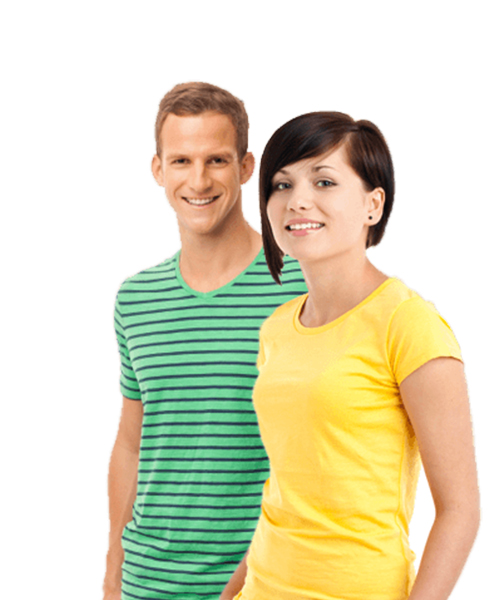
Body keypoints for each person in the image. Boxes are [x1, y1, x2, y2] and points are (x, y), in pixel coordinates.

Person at [220, 112, 480, 600]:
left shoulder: (408, 323)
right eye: (281, 184)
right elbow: (285, 491)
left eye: (324, 181)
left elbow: (460, 511)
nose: (297, 200)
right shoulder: (276, 329)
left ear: (372, 205)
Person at [103, 82, 308, 600]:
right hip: (147, 582)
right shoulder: (136, 299)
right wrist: (113, 569)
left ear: (245, 167)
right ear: (158, 170)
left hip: (262, 583)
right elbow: (132, 443)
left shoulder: (301, 289)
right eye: (181, 161)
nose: (198, 180)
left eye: (216, 160)